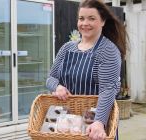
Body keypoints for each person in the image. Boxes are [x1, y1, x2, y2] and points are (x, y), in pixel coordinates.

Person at [46, 0, 127, 140]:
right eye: (81, 18)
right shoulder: (67, 48)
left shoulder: (107, 50)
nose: (85, 23)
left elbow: (108, 90)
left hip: (94, 126)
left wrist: (99, 122)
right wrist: (57, 86)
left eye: (92, 18)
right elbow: (50, 78)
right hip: (68, 124)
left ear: (102, 21)